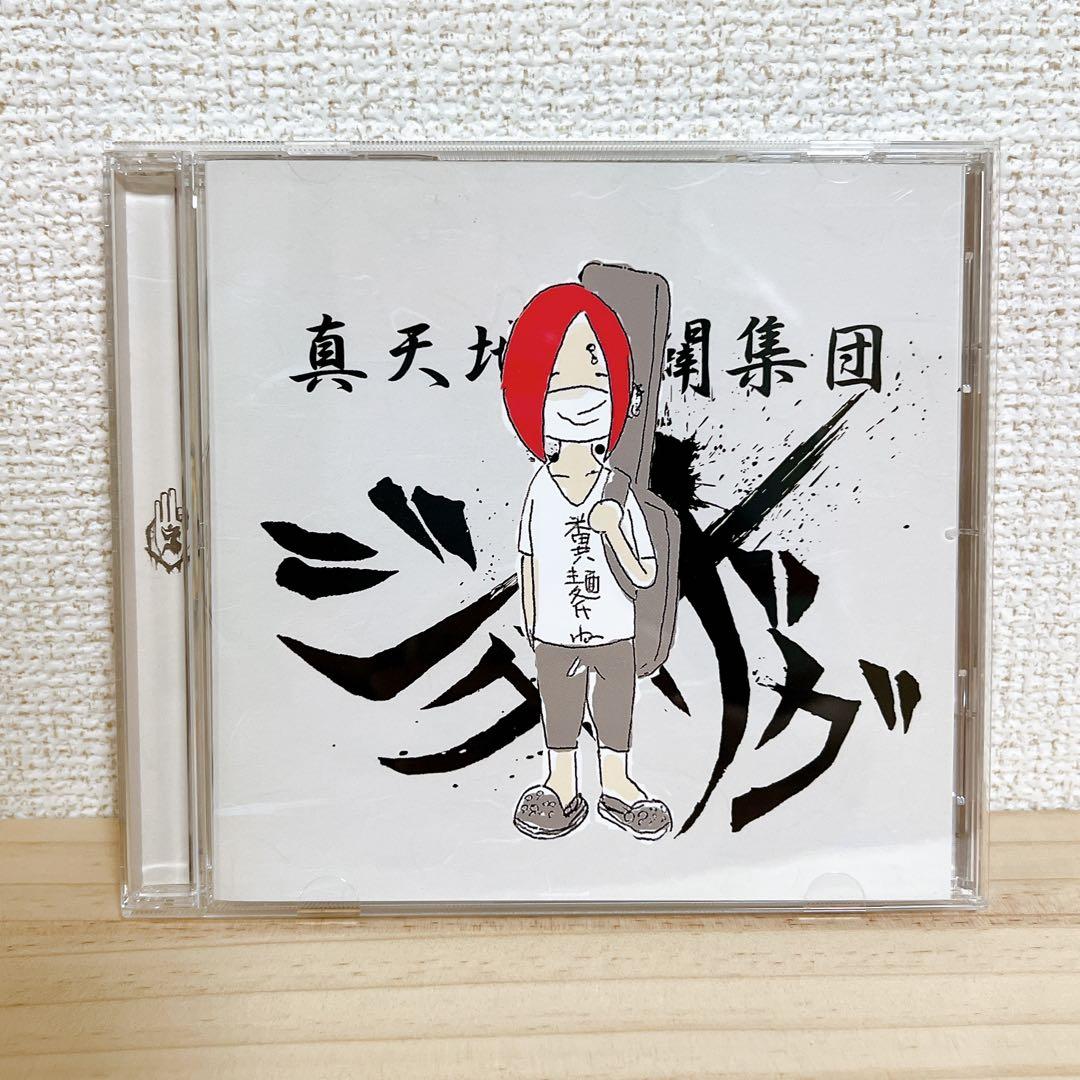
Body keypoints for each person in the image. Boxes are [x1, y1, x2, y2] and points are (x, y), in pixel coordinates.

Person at [501, 282, 673, 841]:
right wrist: (533, 621)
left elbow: (645, 574)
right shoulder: (538, 489)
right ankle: (561, 785)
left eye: (597, 375)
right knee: (560, 707)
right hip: (554, 633)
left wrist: (613, 532)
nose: (580, 394)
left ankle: (618, 786)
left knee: (614, 705)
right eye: (559, 378)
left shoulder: (618, 491)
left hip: (613, 632)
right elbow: (529, 559)